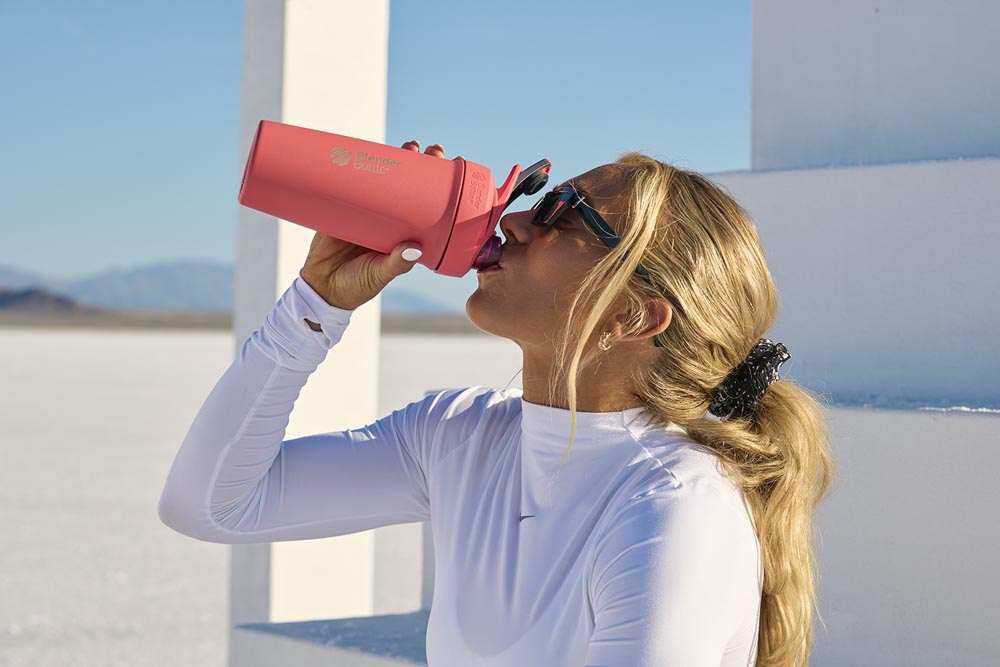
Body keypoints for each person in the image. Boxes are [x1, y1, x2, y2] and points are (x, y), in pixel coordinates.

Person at [158, 140, 835, 667]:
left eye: (560, 214)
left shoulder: (672, 507)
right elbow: (210, 502)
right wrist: (316, 304)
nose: (510, 219)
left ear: (633, 313)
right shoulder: (460, 437)